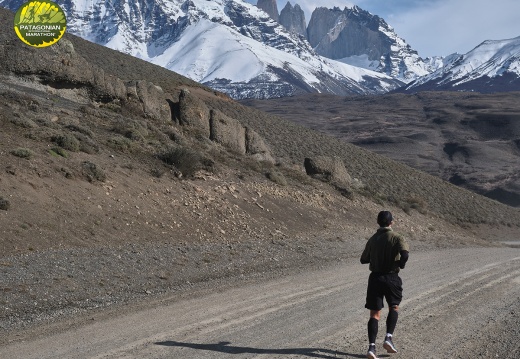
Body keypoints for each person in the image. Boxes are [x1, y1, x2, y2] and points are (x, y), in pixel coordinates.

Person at [360, 210, 409, 359]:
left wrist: (376, 257)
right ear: (391, 222)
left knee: (374, 314)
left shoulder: (373, 239)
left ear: (378, 222)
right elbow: (405, 254)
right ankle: (388, 338)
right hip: (391, 277)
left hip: (375, 278)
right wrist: (401, 263)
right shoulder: (397, 237)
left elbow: (363, 259)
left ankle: (371, 348)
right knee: (393, 307)